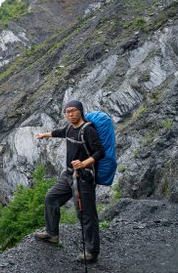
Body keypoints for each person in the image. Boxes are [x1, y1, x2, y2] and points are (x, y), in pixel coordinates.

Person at [34, 100, 105, 263]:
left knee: (86, 214)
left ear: (80, 111)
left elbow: (100, 152)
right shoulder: (69, 128)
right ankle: (52, 234)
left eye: (73, 111)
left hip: (84, 177)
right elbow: (60, 132)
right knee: (51, 198)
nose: (70, 114)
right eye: (67, 112)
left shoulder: (88, 130)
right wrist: (45, 134)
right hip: (68, 175)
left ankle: (92, 251)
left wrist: (83, 163)